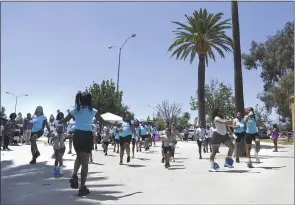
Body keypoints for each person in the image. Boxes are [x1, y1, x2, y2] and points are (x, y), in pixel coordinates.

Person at [59, 91, 114, 196]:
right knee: (85, 162)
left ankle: (74, 175)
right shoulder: (93, 111)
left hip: (77, 136)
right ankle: (82, 187)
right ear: (89, 100)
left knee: (79, 156)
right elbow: (104, 122)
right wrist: (115, 124)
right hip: (86, 136)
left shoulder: (75, 110)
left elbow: (64, 120)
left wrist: (58, 122)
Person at [52, 113, 66, 177]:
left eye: (61, 127)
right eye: (59, 127)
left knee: (60, 159)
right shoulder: (54, 134)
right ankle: (55, 170)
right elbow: (52, 136)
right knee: (56, 160)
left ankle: (60, 172)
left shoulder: (64, 134)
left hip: (62, 148)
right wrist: (54, 135)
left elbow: (69, 135)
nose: (60, 128)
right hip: (56, 148)